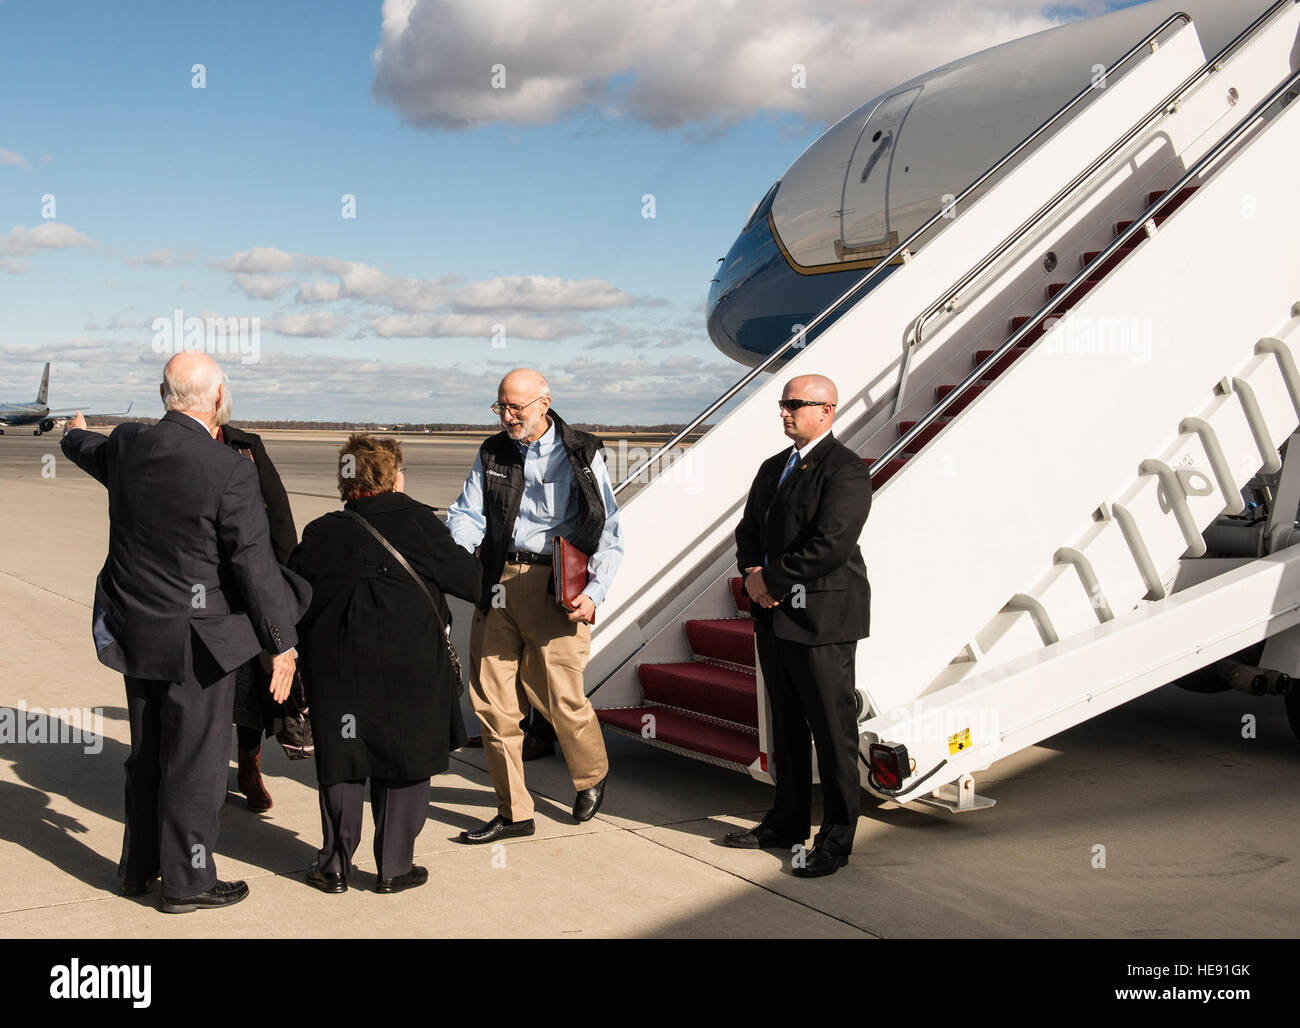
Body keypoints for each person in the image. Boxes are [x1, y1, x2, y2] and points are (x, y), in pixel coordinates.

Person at [60, 353, 309, 912]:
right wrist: (282, 643)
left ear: (164, 394)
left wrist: (73, 436)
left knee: (147, 756)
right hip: (200, 645)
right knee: (194, 765)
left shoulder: (127, 445)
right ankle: (189, 882)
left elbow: (88, 450)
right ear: (218, 397)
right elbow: (254, 565)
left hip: (136, 633)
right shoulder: (229, 469)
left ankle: (138, 869)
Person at [288, 434, 481, 893]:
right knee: (405, 761)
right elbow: (472, 583)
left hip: (336, 667)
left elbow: (291, 595)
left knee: (343, 761)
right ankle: (394, 868)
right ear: (395, 475)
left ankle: (334, 866)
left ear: (347, 479)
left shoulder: (322, 531)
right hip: (409, 667)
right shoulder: (421, 523)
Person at [447, 368, 623, 843]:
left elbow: (607, 530)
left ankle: (590, 773)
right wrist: (472, 545)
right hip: (498, 581)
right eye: (500, 406)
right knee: (490, 702)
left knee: (559, 696)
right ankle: (514, 812)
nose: (507, 417)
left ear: (544, 404)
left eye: (515, 408)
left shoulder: (582, 453)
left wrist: (594, 593)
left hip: (556, 586)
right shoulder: (492, 452)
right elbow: (463, 513)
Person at [725, 374, 871, 878]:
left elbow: (830, 544)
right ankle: (786, 822)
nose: (784, 412)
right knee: (784, 729)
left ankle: (836, 839)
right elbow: (747, 531)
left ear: (826, 410)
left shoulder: (846, 469)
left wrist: (771, 581)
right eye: (782, 404)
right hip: (774, 615)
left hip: (821, 620)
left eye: (794, 404)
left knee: (832, 734)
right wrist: (752, 574)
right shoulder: (773, 468)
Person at [216, 405, 299, 812]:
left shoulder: (246, 446)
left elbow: (279, 517)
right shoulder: (180, 446)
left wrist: (288, 587)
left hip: (248, 589)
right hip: (204, 593)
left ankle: (249, 769)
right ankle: (207, 775)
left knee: (249, 690)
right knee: (209, 689)